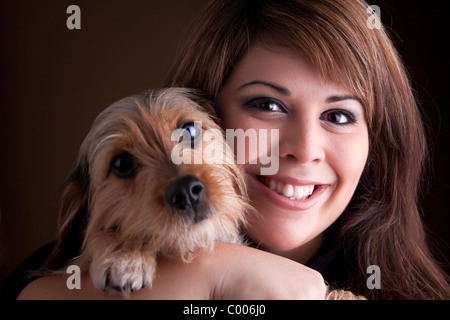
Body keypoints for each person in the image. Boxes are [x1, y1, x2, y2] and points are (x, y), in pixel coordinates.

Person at [13, 0, 450, 299]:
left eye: (338, 116)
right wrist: (216, 273)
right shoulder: (66, 274)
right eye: (267, 105)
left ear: (377, 142)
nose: (305, 149)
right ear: (215, 112)